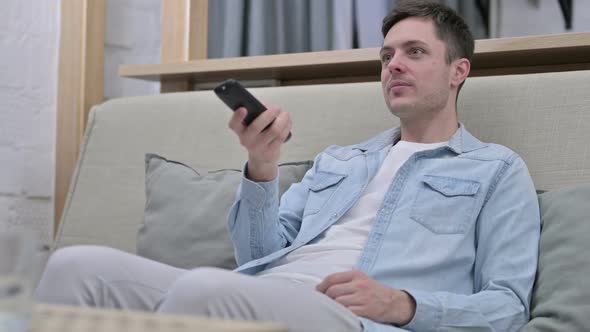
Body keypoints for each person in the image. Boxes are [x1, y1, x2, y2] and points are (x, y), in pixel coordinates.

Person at [36, 1, 540, 331]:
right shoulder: (340, 161)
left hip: (354, 319)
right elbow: (258, 253)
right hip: (268, 293)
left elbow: (509, 306)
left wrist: (403, 304)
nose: (394, 66)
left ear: (459, 71)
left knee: (204, 289)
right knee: (76, 267)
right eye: (386, 56)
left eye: (414, 52)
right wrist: (262, 166)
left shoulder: (495, 170)